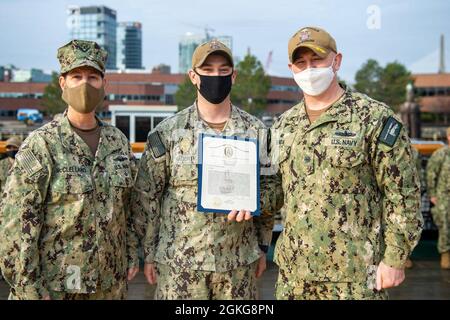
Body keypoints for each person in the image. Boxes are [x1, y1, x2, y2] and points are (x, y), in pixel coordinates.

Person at [271, 26, 423, 299]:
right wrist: (240, 198)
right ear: (291, 68)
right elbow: (276, 189)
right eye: (301, 63)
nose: (309, 69)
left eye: (317, 60)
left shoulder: (374, 118)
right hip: (294, 276)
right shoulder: (283, 125)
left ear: (337, 60)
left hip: (353, 278)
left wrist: (395, 258)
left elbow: (403, 193)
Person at [131, 40, 279, 300]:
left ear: (233, 76)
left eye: (223, 71)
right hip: (180, 266)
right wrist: (150, 254)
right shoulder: (167, 133)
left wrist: (262, 245)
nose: (216, 76)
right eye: (207, 70)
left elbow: (271, 189)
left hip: (238, 265)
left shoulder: (257, 131)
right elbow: (147, 198)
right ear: (193, 76)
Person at [0, 40, 139, 300]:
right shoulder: (42, 144)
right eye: (77, 76)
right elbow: (16, 223)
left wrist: (131, 252)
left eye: (93, 77)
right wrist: (29, 287)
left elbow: (127, 207)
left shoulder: (118, 141)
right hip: (55, 287)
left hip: (109, 284)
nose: (85, 84)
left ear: (104, 84)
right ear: (63, 83)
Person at [426, 126, 450, 269]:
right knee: (445, 226)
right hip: (444, 196)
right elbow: (431, 175)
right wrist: (432, 194)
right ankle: (446, 254)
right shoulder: (441, 154)